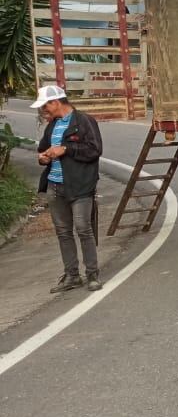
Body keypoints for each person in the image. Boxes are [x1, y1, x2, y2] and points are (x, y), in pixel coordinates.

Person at [33, 85, 105, 293]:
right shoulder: (52, 125)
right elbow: (43, 149)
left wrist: (66, 149)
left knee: (83, 229)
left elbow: (94, 150)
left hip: (80, 186)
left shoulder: (84, 122)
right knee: (63, 232)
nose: (44, 110)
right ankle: (72, 276)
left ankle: (92, 275)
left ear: (56, 102)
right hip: (55, 186)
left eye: (46, 105)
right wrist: (43, 157)